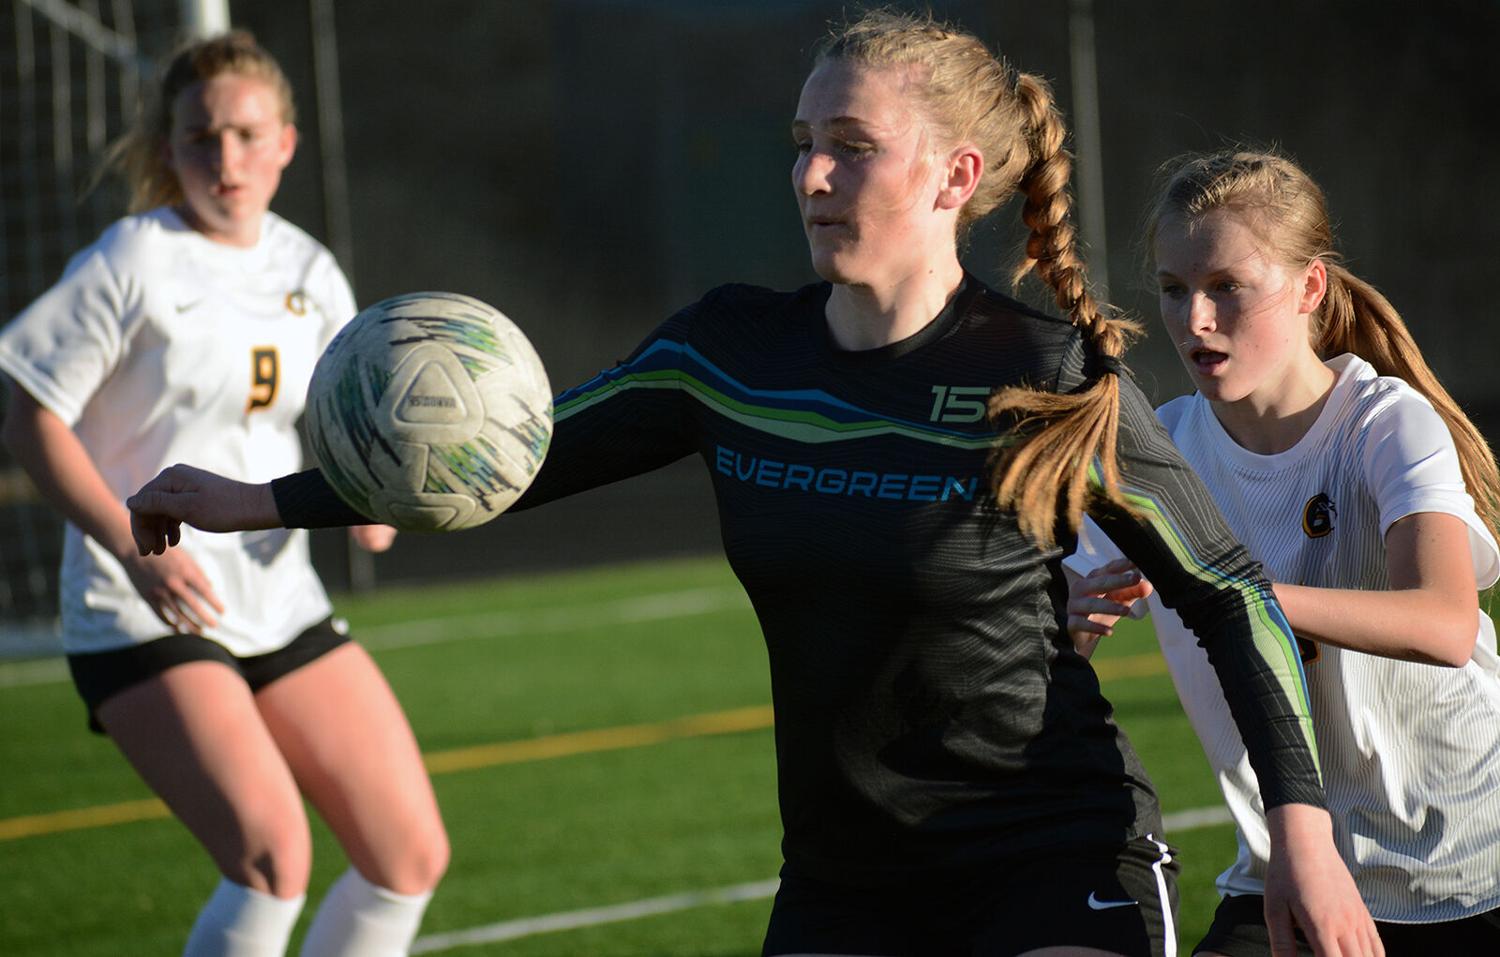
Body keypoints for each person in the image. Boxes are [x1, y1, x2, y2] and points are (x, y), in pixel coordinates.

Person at [128, 13, 1381, 957]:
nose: (812, 177)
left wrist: (1304, 841)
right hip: (842, 885)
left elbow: (1229, 596)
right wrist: (267, 500)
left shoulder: (1043, 376)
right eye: (802, 146)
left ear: (954, 178)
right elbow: (513, 456)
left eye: (852, 148)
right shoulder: (729, 353)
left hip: (1050, 863)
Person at [0, 31, 448, 957]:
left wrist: (375, 501)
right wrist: (131, 551)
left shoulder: (308, 269)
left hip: (278, 598)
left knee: (408, 856)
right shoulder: (133, 261)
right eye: (201, 138)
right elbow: (30, 420)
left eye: (247, 135)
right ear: (169, 150)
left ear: (286, 143)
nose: (226, 159)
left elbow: (348, 415)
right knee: (272, 858)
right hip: (141, 604)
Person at [1065, 148, 1500, 956]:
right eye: (1173, 288)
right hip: (1284, 868)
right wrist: (1064, 617)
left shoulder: (1384, 422)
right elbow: (1041, 641)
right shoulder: (1158, 453)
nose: (1195, 319)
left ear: (1310, 288)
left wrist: (1234, 594)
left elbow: (1445, 622)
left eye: (1227, 286)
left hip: (1465, 872)